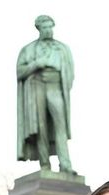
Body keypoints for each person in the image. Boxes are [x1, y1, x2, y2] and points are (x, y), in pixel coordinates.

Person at [16, 14, 74, 173]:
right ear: (39, 29)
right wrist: (36, 64)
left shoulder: (62, 48)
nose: (48, 30)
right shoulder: (28, 50)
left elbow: (70, 72)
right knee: (40, 126)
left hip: (55, 86)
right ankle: (44, 164)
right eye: (45, 27)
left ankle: (66, 165)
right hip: (37, 85)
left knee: (60, 125)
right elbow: (19, 72)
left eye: (50, 27)